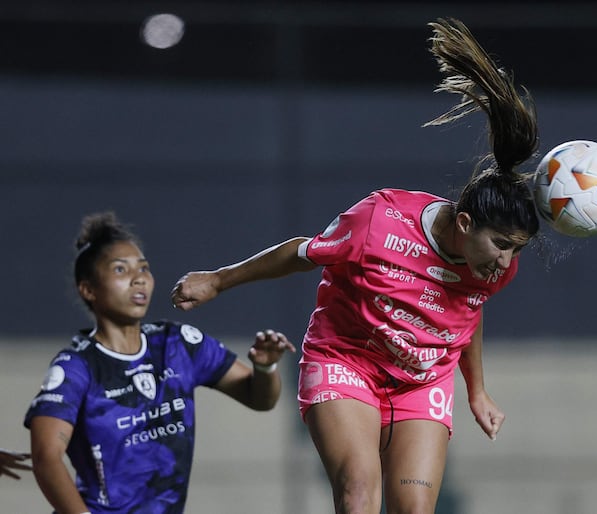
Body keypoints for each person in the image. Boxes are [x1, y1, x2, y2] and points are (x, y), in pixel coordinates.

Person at [171, 17, 540, 514]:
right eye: (500, 244)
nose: (506, 261)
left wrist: (477, 390)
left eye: (516, 249)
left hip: (422, 382)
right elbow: (300, 253)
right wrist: (218, 280)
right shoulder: (380, 223)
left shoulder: (494, 267)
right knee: (359, 490)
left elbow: (466, 313)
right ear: (466, 222)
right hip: (347, 364)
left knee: (413, 508)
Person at [24, 212, 295, 514]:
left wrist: (264, 367)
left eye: (144, 268)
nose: (138, 278)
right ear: (88, 289)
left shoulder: (177, 343)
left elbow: (259, 399)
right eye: (120, 269)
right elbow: (46, 457)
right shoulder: (76, 367)